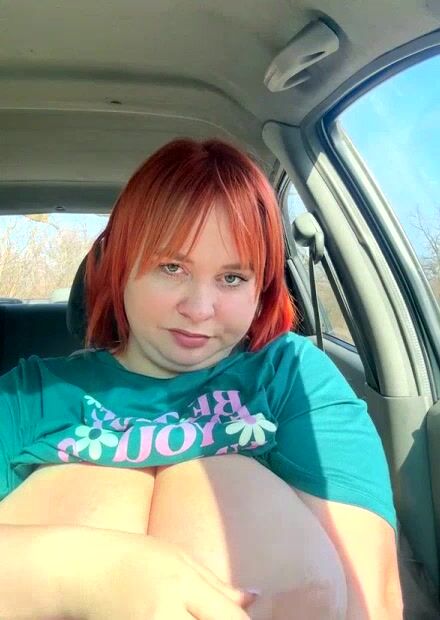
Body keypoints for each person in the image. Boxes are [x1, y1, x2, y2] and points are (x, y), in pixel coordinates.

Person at [0, 138, 402, 619]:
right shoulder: (29, 395)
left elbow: (371, 598)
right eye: (172, 267)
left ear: (261, 286)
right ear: (120, 267)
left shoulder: (291, 375)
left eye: (232, 278)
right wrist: (87, 574)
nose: (199, 308)